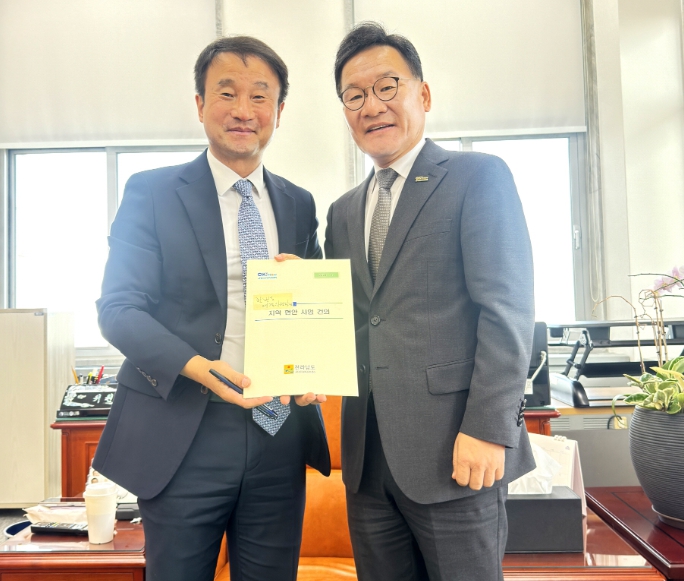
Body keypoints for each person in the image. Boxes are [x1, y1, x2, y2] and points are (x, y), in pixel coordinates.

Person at [94, 36, 329, 581]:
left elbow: (312, 312)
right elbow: (119, 308)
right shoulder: (152, 193)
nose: (244, 110)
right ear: (200, 104)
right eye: (227, 93)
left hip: (279, 431)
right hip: (184, 428)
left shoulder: (298, 202)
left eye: (260, 96)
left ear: (279, 111)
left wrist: (313, 361)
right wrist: (199, 367)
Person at [325, 22, 536, 581]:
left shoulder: (476, 177)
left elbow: (508, 311)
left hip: (456, 452)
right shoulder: (342, 212)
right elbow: (347, 321)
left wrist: (490, 428)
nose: (372, 106)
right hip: (367, 464)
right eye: (355, 95)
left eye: (386, 86)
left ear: (423, 94)